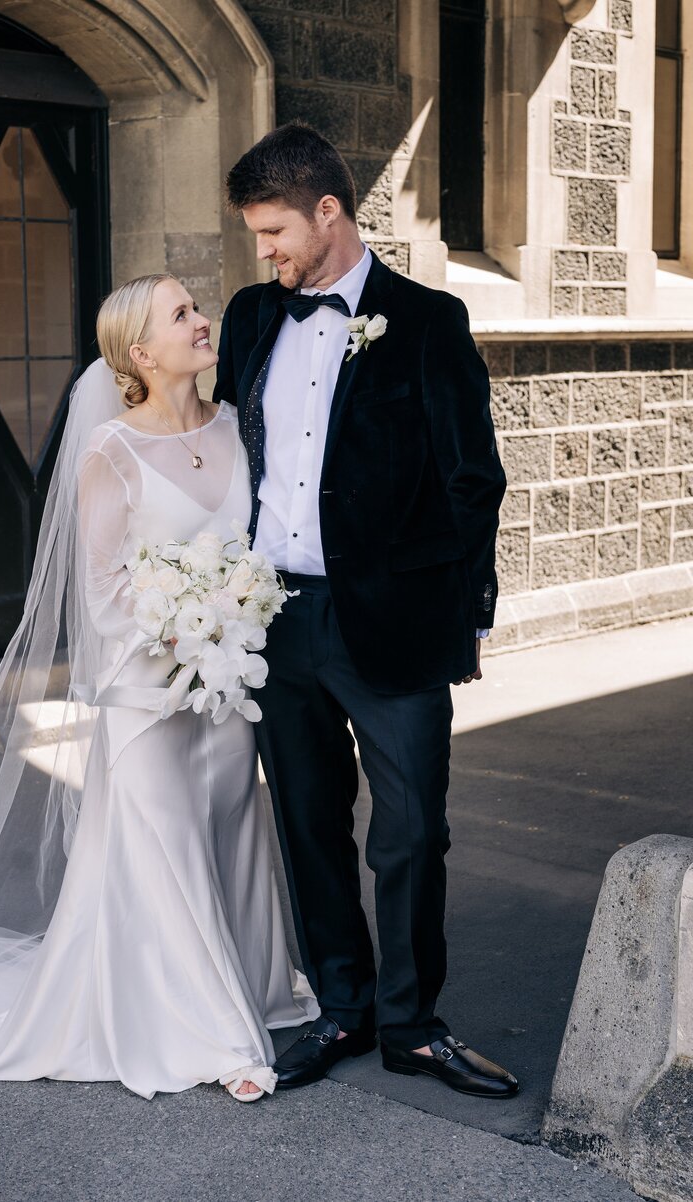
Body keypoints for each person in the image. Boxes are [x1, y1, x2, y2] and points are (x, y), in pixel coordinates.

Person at [0, 275, 317, 1102]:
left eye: (197, 308)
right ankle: (217, 1036)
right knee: (165, 851)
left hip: (226, 685)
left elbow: (257, 554)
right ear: (140, 353)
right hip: (147, 693)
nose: (203, 322)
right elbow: (102, 591)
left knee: (230, 826)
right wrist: (186, 625)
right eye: (182, 316)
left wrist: (230, 625)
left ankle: (259, 987)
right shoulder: (111, 453)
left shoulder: (238, 427)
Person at [215, 123, 518, 1098]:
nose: (264, 252)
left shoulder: (426, 320)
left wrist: (460, 617)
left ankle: (410, 1022)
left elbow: (472, 480)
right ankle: (339, 1006)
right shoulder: (252, 316)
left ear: (327, 212)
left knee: (409, 830)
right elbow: (227, 453)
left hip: (391, 624)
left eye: (273, 232)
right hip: (277, 618)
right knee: (306, 821)